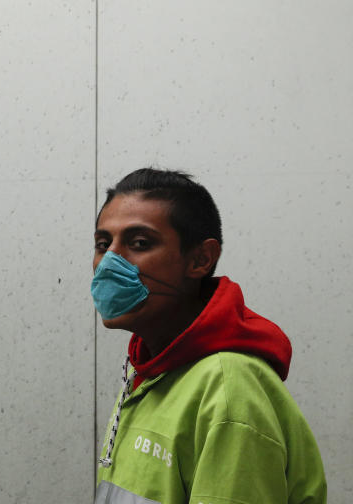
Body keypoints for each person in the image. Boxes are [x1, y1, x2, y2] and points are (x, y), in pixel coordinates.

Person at [91, 168, 327, 504]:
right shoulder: (151, 370)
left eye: (139, 243)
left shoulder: (227, 390)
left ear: (201, 259)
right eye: (103, 244)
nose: (109, 262)